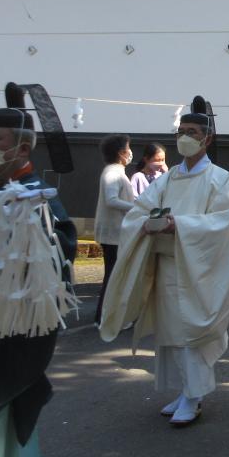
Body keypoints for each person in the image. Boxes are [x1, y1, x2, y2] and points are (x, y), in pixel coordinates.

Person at [98, 96, 229, 427]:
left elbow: (223, 224)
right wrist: (146, 223)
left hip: (199, 270)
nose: (185, 137)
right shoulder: (170, 177)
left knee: (192, 331)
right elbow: (140, 208)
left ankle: (195, 395)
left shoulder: (220, 179)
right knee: (170, 333)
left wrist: (181, 225)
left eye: (192, 131)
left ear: (208, 138)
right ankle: (184, 390)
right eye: (181, 131)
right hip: (166, 265)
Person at [0, 83, 77, 457]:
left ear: (23, 147)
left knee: (9, 406)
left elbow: (63, 246)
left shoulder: (35, 194)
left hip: (17, 328)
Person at [94, 134, 135, 324]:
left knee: (114, 275)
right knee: (113, 276)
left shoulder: (116, 171)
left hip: (115, 232)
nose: (131, 152)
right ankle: (104, 317)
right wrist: (137, 206)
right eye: (129, 148)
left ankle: (106, 316)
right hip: (113, 233)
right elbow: (111, 201)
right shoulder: (113, 173)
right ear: (121, 153)